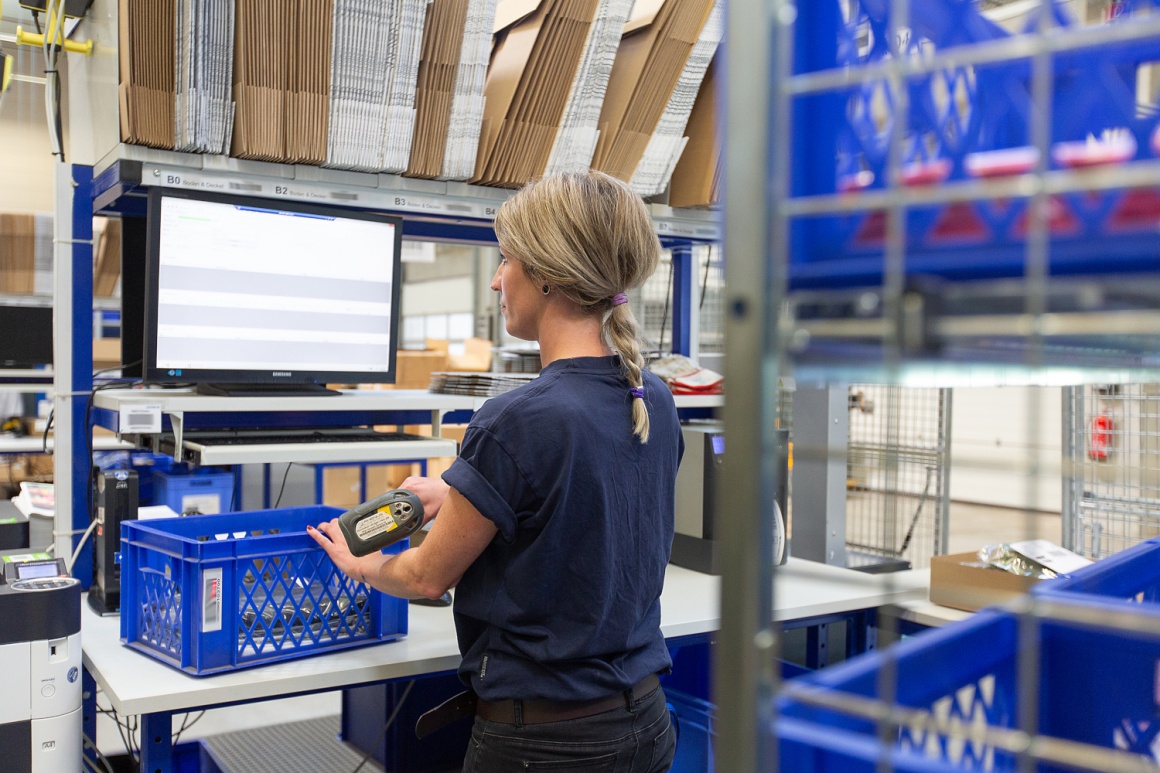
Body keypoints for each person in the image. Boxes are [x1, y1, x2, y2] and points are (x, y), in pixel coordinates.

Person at [309, 170, 684, 772]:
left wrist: (367, 564)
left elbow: (428, 578)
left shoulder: (515, 420)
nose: (495, 280)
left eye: (505, 259)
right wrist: (463, 497)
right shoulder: (652, 397)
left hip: (545, 749)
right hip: (645, 725)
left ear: (548, 276)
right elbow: (582, 504)